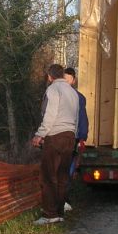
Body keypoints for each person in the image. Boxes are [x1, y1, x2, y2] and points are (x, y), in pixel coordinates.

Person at [31, 63, 79, 224]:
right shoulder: (73, 93)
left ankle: (49, 215)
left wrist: (40, 134)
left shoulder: (53, 89)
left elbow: (50, 114)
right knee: (62, 176)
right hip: (70, 136)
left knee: (48, 175)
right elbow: (76, 117)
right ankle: (59, 213)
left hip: (55, 136)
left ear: (50, 76)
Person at [63, 67, 89, 194]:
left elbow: (83, 118)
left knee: (67, 166)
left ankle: (63, 196)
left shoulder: (79, 98)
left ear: (73, 81)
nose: (66, 82)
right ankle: (63, 196)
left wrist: (82, 137)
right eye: (64, 79)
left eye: (68, 80)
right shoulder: (77, 97)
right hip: (66, 136)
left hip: (72, 137)